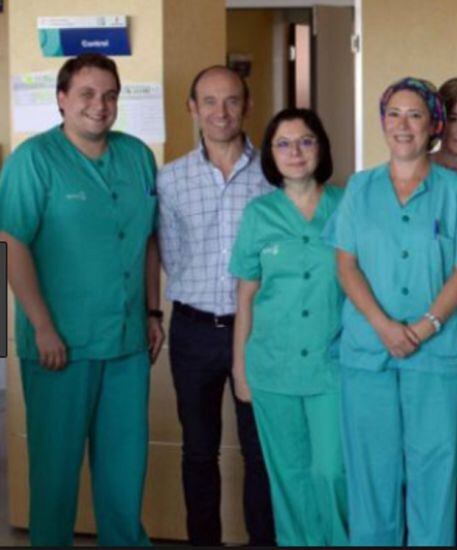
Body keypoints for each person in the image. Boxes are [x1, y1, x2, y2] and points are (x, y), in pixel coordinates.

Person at [326, 77, 457, 546]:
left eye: (415, 115)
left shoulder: (454, 191)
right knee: (371, 470)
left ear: (433, 126)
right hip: (368, 350)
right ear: (382, 122)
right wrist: (383, 326)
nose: (403, 125)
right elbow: (346, 265)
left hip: (435, 353)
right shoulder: (360, 189)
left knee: (433, 471)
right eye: (394, 114)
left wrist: (425, 327)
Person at [0, 53, 159, 546]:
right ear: (62, 99)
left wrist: (153, 311)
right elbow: (11, 241)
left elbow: (150, 239)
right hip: (59, 346)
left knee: (124, 473)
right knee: (54, 476)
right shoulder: (33, 160)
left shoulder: (136, 155)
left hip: (128, 343)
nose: (100, 105)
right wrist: (42, 326)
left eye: (109, 95)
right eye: (87, 94)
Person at [157, 65, 276, 546]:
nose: (220, 112)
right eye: (209, 101)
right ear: (193, 108)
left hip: (260, 331)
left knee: (260, 450)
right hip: (194, 332)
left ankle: (264, 541)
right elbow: (168, 254)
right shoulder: (171, 179)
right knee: (199, 452)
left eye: (231, 101)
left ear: (247, 105)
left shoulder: (274, 173)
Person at [230, 108, 348, 546]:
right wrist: (240, 367)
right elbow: (245, 296)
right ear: (270, 154)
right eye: (283, 143)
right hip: (272, 366)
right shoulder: (259, 215)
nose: (295, 152)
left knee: (332, 471)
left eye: (305, 141)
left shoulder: (346, 205)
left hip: (331, 364)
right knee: (289, 477)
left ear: (321, 147)